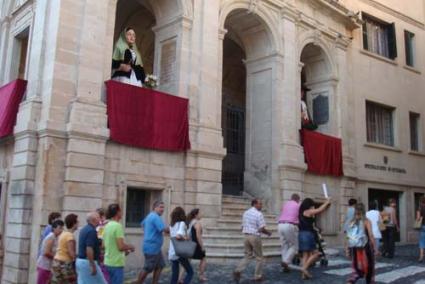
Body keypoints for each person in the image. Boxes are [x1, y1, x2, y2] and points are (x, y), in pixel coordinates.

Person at [233, 199, 271, 283]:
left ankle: (238, 270)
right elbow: (261, 228)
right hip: (254, 236)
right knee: (259, 257)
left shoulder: (246, 213)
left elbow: (242, 226)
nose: (261, 205)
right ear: (254, 204)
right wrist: (268, 233)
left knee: (248, 255)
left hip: (246, 236)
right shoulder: (258, 214)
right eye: (260, 204)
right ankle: (258, 276)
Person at [298, 197, 331, 280]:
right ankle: (304, 268)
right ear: (309, 205)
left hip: (301, 234)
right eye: (312, 205)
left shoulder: (301, 212)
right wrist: (327, 202)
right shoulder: (308, 211)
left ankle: (303, 275)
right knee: (316, 254)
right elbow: (320, 210)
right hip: (308, 235)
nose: (313, 207)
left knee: (306, 255)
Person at [103, 204, 135, 284]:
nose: (122, 213)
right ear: (117, 212)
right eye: (120, 211)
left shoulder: (107, 225)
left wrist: (124, 251)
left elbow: (104, 245)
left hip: (107, 261)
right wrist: (130, 246)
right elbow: (120, 247)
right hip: (116, 263)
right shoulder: (118, 226)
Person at [138, 201, 168, 284]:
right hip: (152, 248)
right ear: (155, 208)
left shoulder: (150, 215)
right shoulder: (155, 217)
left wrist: (148, 233)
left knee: (160, 266)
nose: (163, 209)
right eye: (161, 207)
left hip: (156, 248)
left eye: (163, 207)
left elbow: (142, 224)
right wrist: (174, 230)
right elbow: (163, 229)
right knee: (147, 268)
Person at [346, 203, 376, 284]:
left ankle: (351, 280)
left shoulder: (351, 221)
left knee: (356, 267)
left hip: (354, 247)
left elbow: (348, 236)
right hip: (365, 247)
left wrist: (347, 249)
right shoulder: (366, 221)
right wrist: (375, 248)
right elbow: (371, 235)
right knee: (369, 266)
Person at [76, 211, 107, 283]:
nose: (100, 220)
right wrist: (92, 265)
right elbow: (89, 248)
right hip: (87, 262)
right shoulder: (91, 231)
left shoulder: (84, 229)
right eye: (99, 218)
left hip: (81, 261)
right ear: (94, 220)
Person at [51, 214, 79, 284]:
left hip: (56, 261)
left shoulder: (63, 233)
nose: (78, 224)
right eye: (77, 222)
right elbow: (71, 252)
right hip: (64, 264)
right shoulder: (70, 236)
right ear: (73, 223)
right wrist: (76, 259)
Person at [169, 207, 194, 284]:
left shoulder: (172, 225)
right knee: (190, 272)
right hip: (180, 252)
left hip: (172, 251)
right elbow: (178, 236)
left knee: (174, 276)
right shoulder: (182, 223)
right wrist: (186, 238)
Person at [277, 193, 300, 272]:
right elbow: (299, 216)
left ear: (291, 198)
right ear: (297, 199)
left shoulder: (286, 204)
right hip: (289, 225)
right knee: (294, 246)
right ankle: (286, 261)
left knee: (284, 245)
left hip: (280, 225)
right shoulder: (297, 205)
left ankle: (285, 267)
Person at [36, 219, 64, 284]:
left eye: (62, 228)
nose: (61, 230)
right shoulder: (51, 237)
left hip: (49, 266)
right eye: (59, 228)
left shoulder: (56, 237)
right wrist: (57, 257)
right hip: (45, 265)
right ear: (54, 228)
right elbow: (46, 252)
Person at [187, 208, 207, 282]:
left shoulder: (191, 222)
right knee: (203, 259)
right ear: (196, 215)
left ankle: (180, 277)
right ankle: (201, 276)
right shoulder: (197, 223)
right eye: (200, 213)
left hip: (192, 243)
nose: (201, 214)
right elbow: (198, 236)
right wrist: (202, 246)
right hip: (196, 244)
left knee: (187, 260)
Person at [96, 208, 110, 282]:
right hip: (106, 251)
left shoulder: (101, 226)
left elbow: (100, 239)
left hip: (102, 251)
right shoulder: (105, 225)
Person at [416, 196, 425, 262]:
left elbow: (418, 218)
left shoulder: (420, 208)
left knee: (422, 241)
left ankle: (421, 256)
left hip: (423, 226)